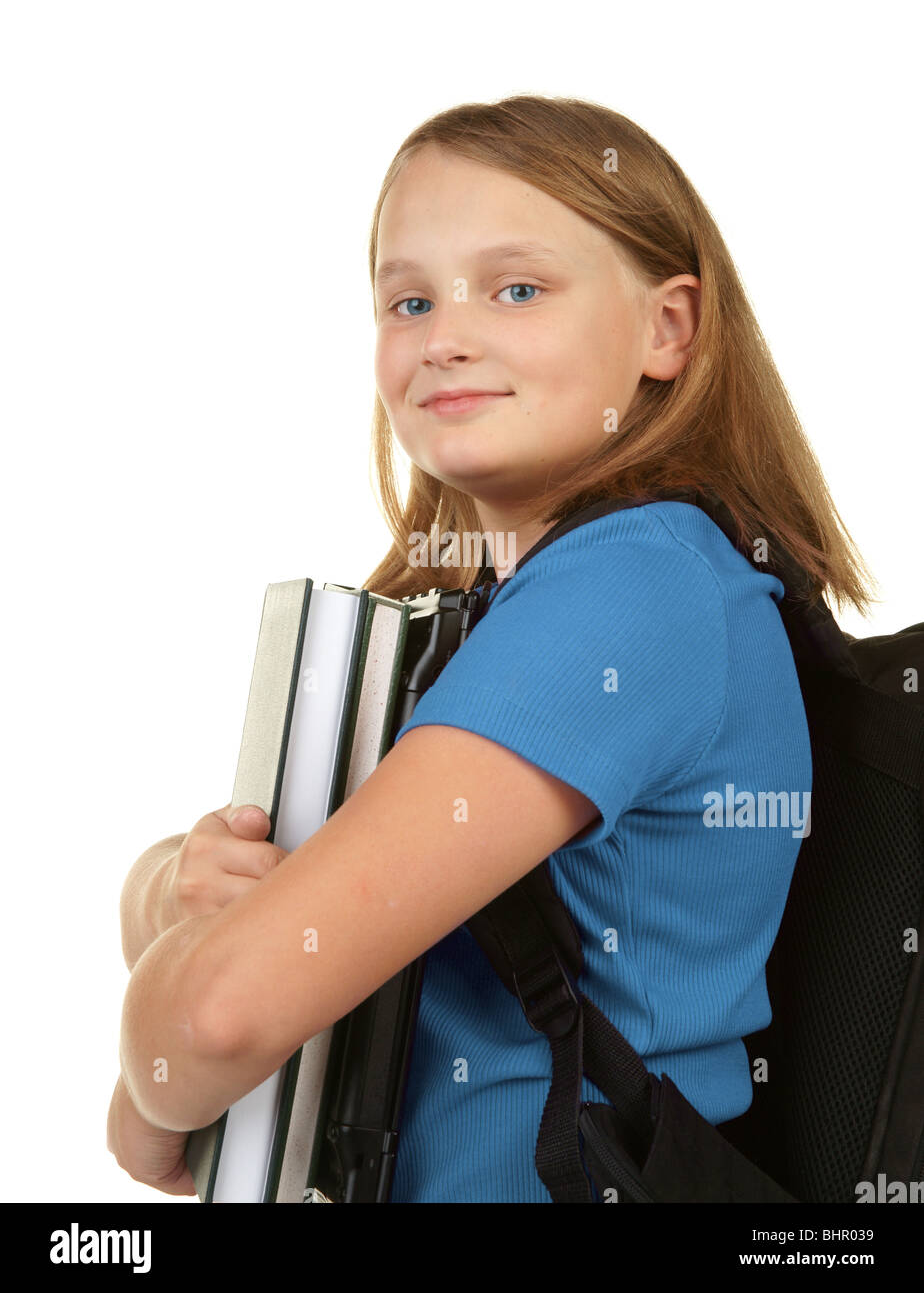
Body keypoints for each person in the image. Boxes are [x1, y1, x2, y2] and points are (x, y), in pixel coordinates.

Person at [108, 95, 877, 1203]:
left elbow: (218, 1018)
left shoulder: (631, 587)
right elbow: (219, 950)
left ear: (670, 329)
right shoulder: (502, 600)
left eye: (517, 288)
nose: (446, 336)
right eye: (409, 299)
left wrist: (145, 1092)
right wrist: (166, 893)